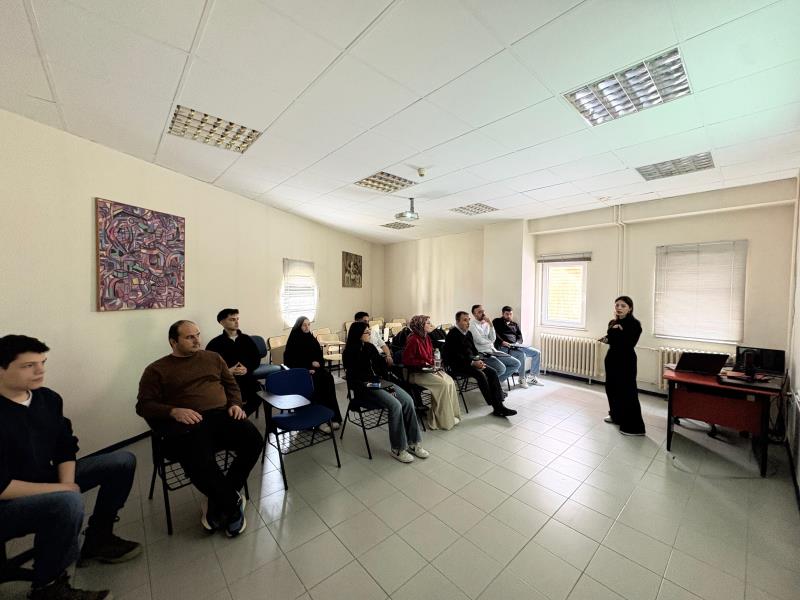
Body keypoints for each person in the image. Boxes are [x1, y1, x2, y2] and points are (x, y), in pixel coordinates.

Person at [0, 335, 140, 600]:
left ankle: (99, 538)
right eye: (29, 365)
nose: (40, 371)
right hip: (6, 501)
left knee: (121, 462)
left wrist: (66, 483)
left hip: (43, 479)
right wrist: (62, 491)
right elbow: (2, 486)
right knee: (66, 501)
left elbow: (65, 446)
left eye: (42, 363)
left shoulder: (48, 399)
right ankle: (48, 587)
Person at [137, 320, 263, 537]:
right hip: (189, 424)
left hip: (221, 415)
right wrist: (173, 411)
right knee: (198, 458)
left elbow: (231, 385)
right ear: (173, 342)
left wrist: (235, 403)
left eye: (198, 334)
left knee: (254, 441)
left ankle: (220, 497)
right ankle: (232, 502)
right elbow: (143, 405)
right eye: (190, 337)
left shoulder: (213, 358)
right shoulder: (157, 370)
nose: (197, 340)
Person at [342, 321, 429, 463]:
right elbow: (354, 378)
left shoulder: (370, 347)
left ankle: (413, 443)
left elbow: (379, 366)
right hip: (365, 387)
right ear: (358, 335)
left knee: (408, 400)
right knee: (395, 405)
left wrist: (387, 361)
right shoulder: (349, 353)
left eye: (369, 331)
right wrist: (375, 383)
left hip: (380, 383)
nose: (369, 333)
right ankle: (398, 448)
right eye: (366, 332)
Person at [443, 312, 517, 417]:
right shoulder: (452, 335)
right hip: (458, 365)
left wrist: (479, 360)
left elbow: (474, 351)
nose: (468, 322)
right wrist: (473, 363)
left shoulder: (468, 333)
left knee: (492, 372)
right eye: (464, 320)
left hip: (471, 362)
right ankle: (496, 405)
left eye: (468, 320)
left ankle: (498, 405)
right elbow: (455, 356)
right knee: (480, 374)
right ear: (457, 321)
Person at [283, 316, 343, 433]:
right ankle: (319, 421)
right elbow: (290, 361)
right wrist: (307, 367)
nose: (307, 327)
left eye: (308, 324)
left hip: (316, 370)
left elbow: (319, 356)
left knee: (328, 378)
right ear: (299, 326)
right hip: (302, 372)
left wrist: (319, 363)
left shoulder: (311, 338)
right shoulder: (294, 340)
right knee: (316, 382)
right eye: (304, 325)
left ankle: (331, 417)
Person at [402, 315, 461, 430]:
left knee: (449, 381)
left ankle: (452, 415)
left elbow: (430, 355)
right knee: (442, 385)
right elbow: (407, 360)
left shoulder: (426, 337)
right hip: (415, 373)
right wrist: (424, 363)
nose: (431, 325)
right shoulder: (413, 339)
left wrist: (434, 362)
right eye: (428, 323)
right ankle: (442, 420)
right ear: (420, 325)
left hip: (427, 370)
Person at [599, 296, 646, 436]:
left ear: (630, 308)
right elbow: (610, 338)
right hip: (612, 359)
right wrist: (613, 332)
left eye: (623, 305)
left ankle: (634, 428)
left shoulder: (634, 324)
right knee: (611, 389)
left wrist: (616, 332)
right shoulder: (613, 322)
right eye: (617, 305)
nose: (619, 308)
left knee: (627, 391)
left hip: (626, 361)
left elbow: (628, 343)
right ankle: (616, 416)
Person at [205, 308, 263, 416]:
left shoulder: (247, 339)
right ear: (222, 322)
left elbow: (256, 358)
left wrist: (247, 368)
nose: (236, 322)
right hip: (226, 380)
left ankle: (243, 415)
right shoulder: (214, 343)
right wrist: (227, 371)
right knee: (226, 401)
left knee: (259, 394)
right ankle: (237, 415)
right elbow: (209, 365)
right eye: (232, 319)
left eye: (237, 319)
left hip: (246, 376)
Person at [469, 305, 521, 385]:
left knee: (516, 363)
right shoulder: (472, 325)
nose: (483, 314)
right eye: (479, 312)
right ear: (474, 314)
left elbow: (493, 338)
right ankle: (492, 385)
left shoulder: (486, 324)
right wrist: (490, 342)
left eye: (483, 311)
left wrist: (490, 324)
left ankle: (495, 383)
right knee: (502, 368)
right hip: (483, 353)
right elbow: (479, 340)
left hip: (493, 351)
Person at [493, 306, 543, 388]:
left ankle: (532, 377)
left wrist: (517, 343)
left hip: (515, 345)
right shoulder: (497, 321)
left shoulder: (515, 324)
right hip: (504, 347)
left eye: (510, 314)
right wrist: (502, 342)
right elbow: (494, 334)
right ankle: (522, 378)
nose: (509, 316)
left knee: (536, 353)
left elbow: (520, 337)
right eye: (507, 314)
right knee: (521, 354)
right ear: (502, 314)